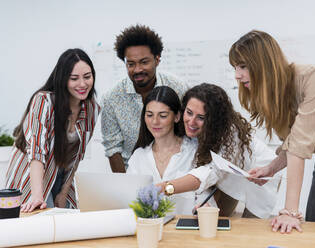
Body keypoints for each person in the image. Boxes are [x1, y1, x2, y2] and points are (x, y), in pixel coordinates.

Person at [229, 30, 315, 247]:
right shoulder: (272, 93)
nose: (237, 75)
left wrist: (290, 211)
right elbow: (292, 141)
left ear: (263, 63)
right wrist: (272, 168)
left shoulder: (313, 77)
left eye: (243, 66)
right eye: (235, 68)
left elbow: (300, 144)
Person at [5, 48, 101, 212]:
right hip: (32, 175)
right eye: (74, 78)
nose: (83, 84)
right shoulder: (44, 101)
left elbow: (77, 157)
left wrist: (64, 193)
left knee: (68, 222)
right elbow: (36, 151)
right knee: (38, 224)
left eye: (87, 76)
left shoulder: (92, 108)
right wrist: (37, 195)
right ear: (63, 79)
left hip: (61, 175)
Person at [178, 83, 284, 218]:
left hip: (261, 175)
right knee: (219, 220)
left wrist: (167, 187)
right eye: (189, 112)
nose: (191, 121)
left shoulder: (231, 135)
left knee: (250, 229)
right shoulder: (188, 132)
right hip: (229, 176)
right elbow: (201, 171)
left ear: (213, 120)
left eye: (201, 117)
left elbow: (210, 173)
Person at [101, 24, 187, 173]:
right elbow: (112, 148)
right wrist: (126, 187)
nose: (138, 69)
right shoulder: (111, 98)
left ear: (157, 59)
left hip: (177, 172)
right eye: (131, 64)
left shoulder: (178, 88)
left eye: (144, 62)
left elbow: (189, 134)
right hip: (133, 174)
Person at [127, 86, 216, 215]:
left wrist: (204, 210)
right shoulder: (138, 157)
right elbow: (129, 202)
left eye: (162, 115)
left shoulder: (195, 152)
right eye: (149, 115)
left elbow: (206, 201)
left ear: (177, 116)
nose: (155, 121)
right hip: (150, 230)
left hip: (187, 231)